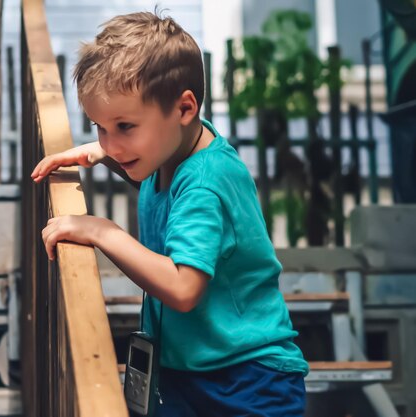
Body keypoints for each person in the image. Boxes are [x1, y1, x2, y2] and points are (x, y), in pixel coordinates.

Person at [31, 11, 308, 417]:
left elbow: (182, 288)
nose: (111, 141)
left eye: (124, 126)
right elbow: (164, 191)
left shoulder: (203, 183)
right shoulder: (177, 145)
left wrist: (103, 232)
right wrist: (101, 156)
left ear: (184, 108)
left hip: (246, 382)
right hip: (188, 367)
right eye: (99, 127)